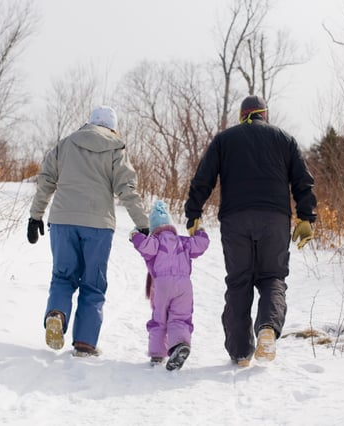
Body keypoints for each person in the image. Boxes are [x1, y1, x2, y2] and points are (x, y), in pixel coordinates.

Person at [184, 95, 317, 367]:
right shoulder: (285, 139)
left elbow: (203, 178)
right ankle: (267, 328)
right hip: (275, 219)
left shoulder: (225, 139)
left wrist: (193, 213)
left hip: (236, 219)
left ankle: (240, 351)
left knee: (239, 281)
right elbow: (303, 181)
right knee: (272, 277)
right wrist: (306, 217)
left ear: (242, 115)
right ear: (264, 115)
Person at [27, 105, 149, 357]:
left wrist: (35, 216)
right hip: (98, 225)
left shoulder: (66, 144)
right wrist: (143, 223)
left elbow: (46, 180)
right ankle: (84, 343)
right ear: (112, 127)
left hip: (62, 221)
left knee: (63, 277)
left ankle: (56, 315)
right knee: (93, 284)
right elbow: (127, 188)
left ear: (90, 122)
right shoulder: (116, 148)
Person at [130, 200, 209, 371]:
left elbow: (143, 245)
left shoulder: (156, 241)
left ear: (154, 228)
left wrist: (135, 234)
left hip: (163, 285)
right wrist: (200, 231)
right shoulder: (183, 242)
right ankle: (179, 345)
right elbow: (202, 244)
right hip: (184, 286)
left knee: (159, 318)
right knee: (180, 317)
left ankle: (157, 354)